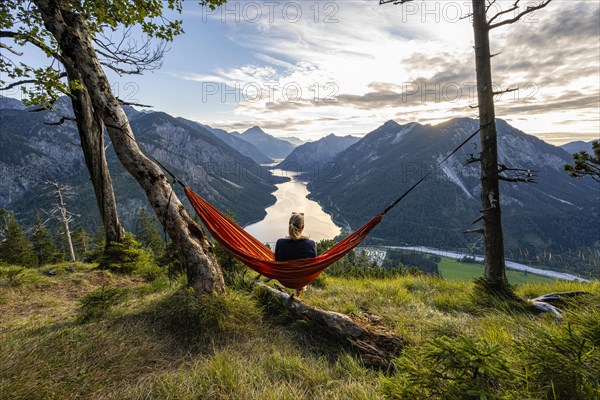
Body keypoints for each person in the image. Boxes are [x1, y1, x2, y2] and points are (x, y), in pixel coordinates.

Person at [275, 212, 317, 296]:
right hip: (303, 279)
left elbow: (277, 262)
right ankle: (299, 291)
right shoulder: (311, 244)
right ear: (303, 227)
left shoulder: (280, 243)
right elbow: (314, 265)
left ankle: (297, 292)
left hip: (285, 279)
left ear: (289, 225)